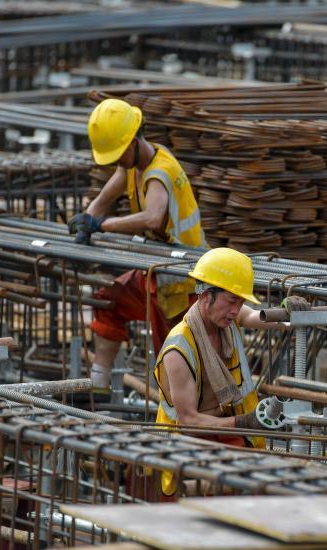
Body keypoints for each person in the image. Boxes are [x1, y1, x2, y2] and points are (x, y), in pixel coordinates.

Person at [69, 98, 208, 400]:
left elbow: (153, 216)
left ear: (133, 142)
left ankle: (182, 419)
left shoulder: (159, 172)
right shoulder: (135, 163)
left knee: (174, 354)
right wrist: (86, 219)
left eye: (119, 154)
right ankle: (99, 383)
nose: (117, 162)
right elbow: (107, 195)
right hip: (156, 271)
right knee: (109, 300)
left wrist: (101, 225)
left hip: (181, 282)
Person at [153, 247, 310, 496]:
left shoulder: (227, 321)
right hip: (189, 444)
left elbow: (256, 316)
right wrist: (243, 422)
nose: (237, 310)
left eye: (241, 301)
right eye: (231, 301)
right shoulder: (178, 350)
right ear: (205, 296)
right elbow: (189, 422)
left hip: (227, 433)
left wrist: (288, 313)